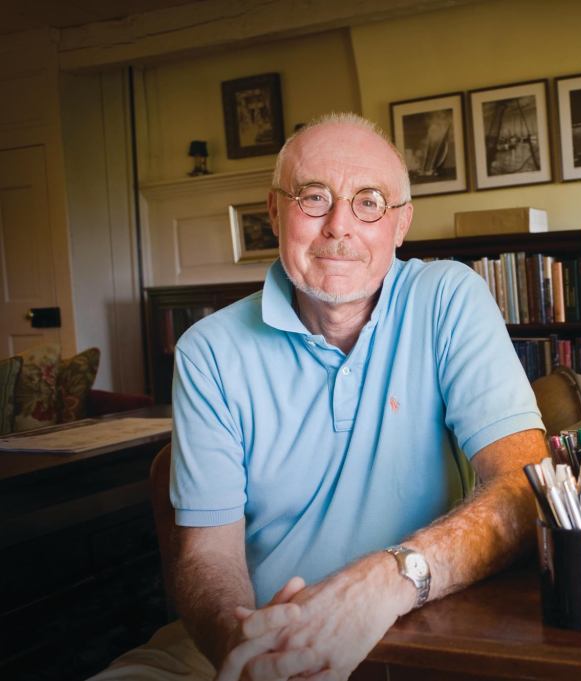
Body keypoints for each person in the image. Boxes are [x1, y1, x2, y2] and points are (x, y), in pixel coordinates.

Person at [93, 112, 547, 681]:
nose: (339, 225)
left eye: (368, 201)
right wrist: (244, 647)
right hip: (252, 638)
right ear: (274, 211)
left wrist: (387, 580)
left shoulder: (448, 299)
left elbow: (524, 486)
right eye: (314, 197)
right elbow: (207, 556)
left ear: (400, 223)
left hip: (419, 630)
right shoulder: (207, 351)